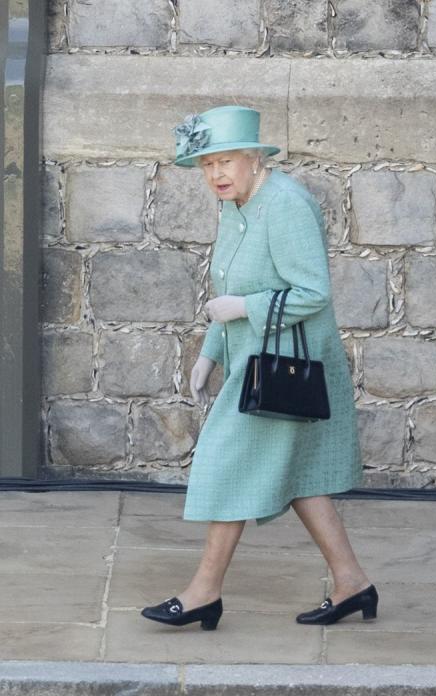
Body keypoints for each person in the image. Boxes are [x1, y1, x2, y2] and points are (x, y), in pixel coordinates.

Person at [141, 106, 376, 631]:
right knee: (298, 476)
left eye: (225, 161)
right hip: (253, 359)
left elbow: (312, 291)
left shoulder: (286, 204)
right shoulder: (236, 203)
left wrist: (244, 311)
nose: (216, 174)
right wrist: (211, 351)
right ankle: (352, 582)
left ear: (254, 158)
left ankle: (204, 592)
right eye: (206, 165)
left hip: (287, 365)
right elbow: (232, 286)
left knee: (229, 464)